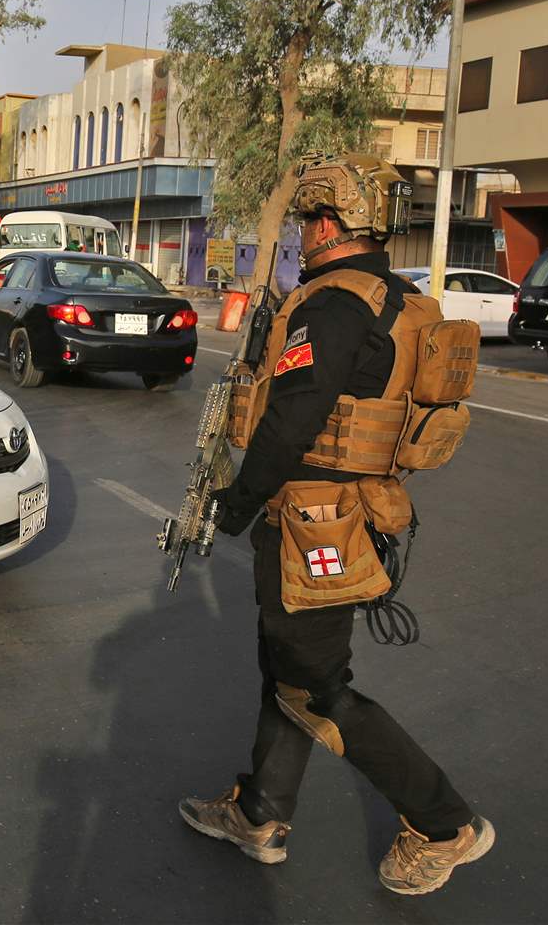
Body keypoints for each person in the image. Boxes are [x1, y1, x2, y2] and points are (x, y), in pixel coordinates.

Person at [179, 154, 492, 896]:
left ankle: (445, 825)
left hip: (310, 521)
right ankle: (260, 814)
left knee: (316, 686)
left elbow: (292, 421)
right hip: (352, 513)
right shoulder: (394, 298)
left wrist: (237, 500)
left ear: (325, 223)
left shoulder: (331, 304)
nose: (301, 240)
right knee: (287, 669)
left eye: (303, 225)